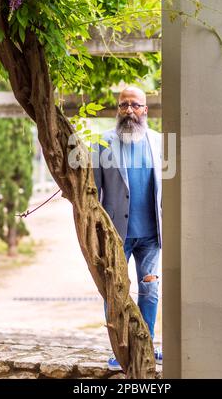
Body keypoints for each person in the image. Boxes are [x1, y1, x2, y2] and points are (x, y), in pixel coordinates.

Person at [92, 86, 162, 370]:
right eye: (124, 105)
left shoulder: (158, 142)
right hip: (116, 236)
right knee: (115, 294)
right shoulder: (103, 143)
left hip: (150, 237)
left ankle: (146, 345)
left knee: (151, 292)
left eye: (135, 105)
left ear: (145, 110)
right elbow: (95, 193)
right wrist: (97, 233)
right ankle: (119, 352)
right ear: (117, 109)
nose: (129, 110)